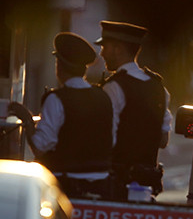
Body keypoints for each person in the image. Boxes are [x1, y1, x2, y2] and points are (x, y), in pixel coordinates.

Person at [9, 33, 115, 198]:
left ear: (59, 65)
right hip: (101, 183)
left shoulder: (56, 99)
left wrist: (27, 120)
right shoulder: (103, 97)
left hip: (65, 185)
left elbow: (40, 147)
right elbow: (111, 140)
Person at [96, 20, 173, 200]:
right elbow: (163, 140)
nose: (102, 53)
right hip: (146, 185)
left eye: (104, 47)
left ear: (118, 49)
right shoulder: (158, 87)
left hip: (116, 185)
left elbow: (107, 140)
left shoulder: (114, 87)